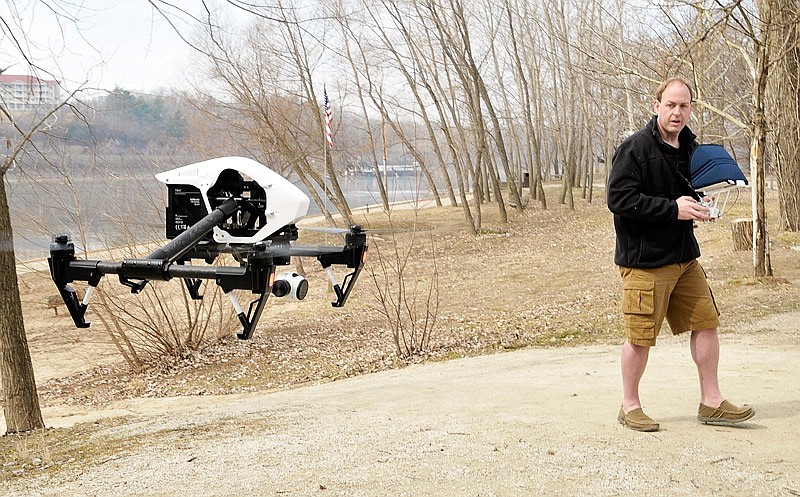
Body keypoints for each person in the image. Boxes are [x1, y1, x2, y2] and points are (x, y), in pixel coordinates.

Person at [606, 77, 755, 432]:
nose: (677, 112)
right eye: (670, 105)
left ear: (691, 109)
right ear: (656, 106)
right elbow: (619, 200)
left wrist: (703, 205)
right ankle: (630, 406)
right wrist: (672, 209)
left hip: (685, 256)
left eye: (683, 106)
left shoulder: (691, 149)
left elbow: (692, 193)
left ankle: (712, 402)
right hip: (644, 261)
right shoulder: (635, 149)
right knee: (640, 337)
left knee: (706, 323)